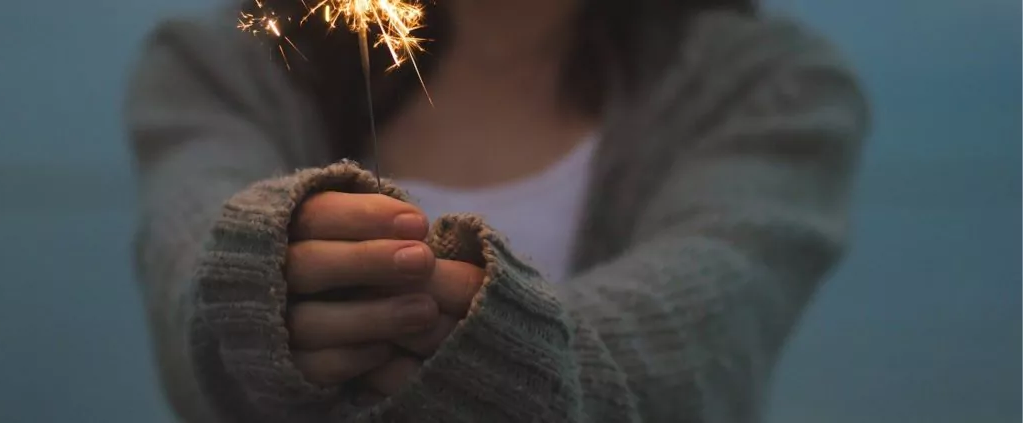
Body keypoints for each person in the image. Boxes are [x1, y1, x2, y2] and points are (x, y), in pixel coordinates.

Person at [124, 0, 869, 421]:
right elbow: (191, 265)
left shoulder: (768, 89)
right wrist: (259, 285)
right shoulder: (226, 65)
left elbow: (708, 321)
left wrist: (503, 349)